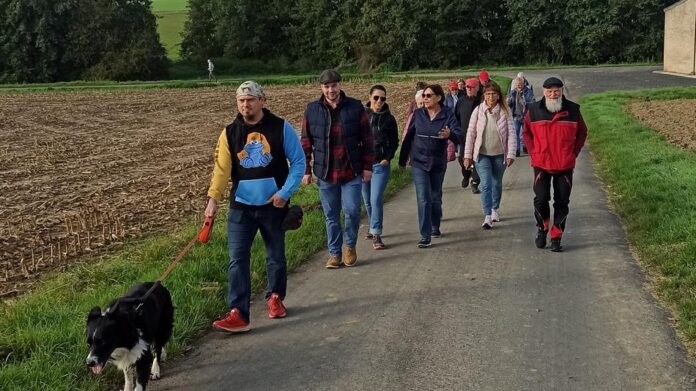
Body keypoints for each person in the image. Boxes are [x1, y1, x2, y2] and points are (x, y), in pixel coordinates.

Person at [206, 81, 305, 333]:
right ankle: (238, 313)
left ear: (262, 100)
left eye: (250, 99)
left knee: (275, 256)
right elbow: (221, 170)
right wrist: (213, 200)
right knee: (237, 259)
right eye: (240, 100)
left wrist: (284, 193)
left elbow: (298, 162)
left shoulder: (281, 128)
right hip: (241, 208)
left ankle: (275, 298)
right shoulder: (229, 133)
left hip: (274, 204)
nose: (245, 104)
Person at [301, 69, 374, 268]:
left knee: (351, 211)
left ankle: (349, 245)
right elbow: (306, 142)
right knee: (331, 215)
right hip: (325, 172)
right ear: (321, 88)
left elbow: (367, 139)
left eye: (334, 85)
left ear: (340, 85)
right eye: (326, 86)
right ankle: (334, 253)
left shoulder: (355, 107)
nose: (331, 90)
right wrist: (306, 170)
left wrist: (368, 167)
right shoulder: (312, 109)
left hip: (351, 170)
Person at [522, 77, 587, 252]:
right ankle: (542, 229)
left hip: (564, 165)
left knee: (562, 201)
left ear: (562, 91)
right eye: (549, 91)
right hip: (541, 163)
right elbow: (526, 132)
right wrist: (533, 151)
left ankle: (557, 236)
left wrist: (574, 153)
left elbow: (582, 132)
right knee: (541, 198)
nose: (553, 94)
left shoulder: (573, 110)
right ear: (543, 92)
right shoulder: (533, 110)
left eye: (556, 91)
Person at [398, 84, 462, 248]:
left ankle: (435, 225)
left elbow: (459, 136)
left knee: (434, 197)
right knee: (423, 198)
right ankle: (425, 235)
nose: (425, 98)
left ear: (438, 98)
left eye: (428, 95)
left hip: (437, 162)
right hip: (418, 161)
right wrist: (402, 160)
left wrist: (450, 135)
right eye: (424, 96)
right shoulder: (418, 114)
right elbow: (408, 137)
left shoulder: (448, 114)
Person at [463, 81, 516, 229]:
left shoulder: (505, 112)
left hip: (499, 154)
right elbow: (471, 133)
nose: (491, 97)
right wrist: (467, 156)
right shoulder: (478, 110)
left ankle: (494, 209)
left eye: (493, 94)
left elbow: (512, 134)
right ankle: (487, 216)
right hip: (482, 155)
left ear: (499, 96)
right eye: (487, 94)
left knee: (496, 183)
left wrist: (511, 153)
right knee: (486, 184)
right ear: (484, 96)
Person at [362, 85, 399, 250]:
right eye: (376, 97)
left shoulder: (389, 119)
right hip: (363, 165)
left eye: (383, 98)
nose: (379, 101)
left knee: (375, 198)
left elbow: (394, 141)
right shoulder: (360, 116)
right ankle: (371, 225)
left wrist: (387, 157)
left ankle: (376, 233)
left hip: (380, 165)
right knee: (367, 200)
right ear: (370, 97)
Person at [454, 78, 482, 191]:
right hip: (464, 136)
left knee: (477, 159)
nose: (469, 89)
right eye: (467, 87)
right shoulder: (461, 101)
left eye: (471, 87)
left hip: (478, 136)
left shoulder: (481, 101)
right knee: (462, 159)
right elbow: (456, 118)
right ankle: (466, 175)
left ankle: (475, 182)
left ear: (477, 88)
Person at [507, 76, 535, 156]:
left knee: (526, 133)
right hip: (516, 115)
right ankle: (517, 150)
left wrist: (525, 102)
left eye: (520, 84)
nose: (518, 85)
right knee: (515, 133)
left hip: (526, 116)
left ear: (523, 84)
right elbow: (510, 104)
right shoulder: (513, 92)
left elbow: (533, 102)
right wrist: (508, 102)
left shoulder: (528, 92)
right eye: (517, 84)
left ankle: (526, 147)